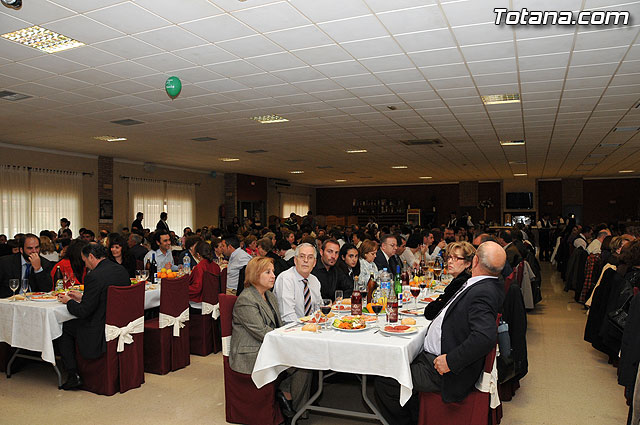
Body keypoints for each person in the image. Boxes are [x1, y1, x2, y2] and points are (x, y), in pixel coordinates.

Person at [374, 241, 506, 424]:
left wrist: (450, 361)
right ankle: (415, 411)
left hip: (443, 369)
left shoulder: (483, 291)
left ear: (474, 261)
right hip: (436, 355)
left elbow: (485, 336)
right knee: (399, 357)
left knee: (385, 378)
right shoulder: (483, 284)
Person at [230, 256, 312, 419]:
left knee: (306, 360)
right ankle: (294, 410)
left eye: (273, 272)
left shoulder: (270, 296)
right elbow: (262, 332)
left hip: (268, 346)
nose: (273, 275)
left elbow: (278, 326)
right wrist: (290, 339)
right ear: (254, 274)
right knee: (303, 363)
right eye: (268, 272)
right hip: (252, 353)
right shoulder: (246, 299)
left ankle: (293, 403)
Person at [57, 243, 130, 390]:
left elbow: (83, 311)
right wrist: (83, 296)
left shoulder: (94, 276)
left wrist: (69, 301)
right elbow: (106, 297)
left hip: (99, 329)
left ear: (91, 257)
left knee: (63, 327)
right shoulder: (120, 270)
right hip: (119, 323)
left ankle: (73, 375)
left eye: (84, 260)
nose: (85, 264)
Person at [424, 242, 474, 319]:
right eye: (450, 257)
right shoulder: (466, 278)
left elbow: (431, 312)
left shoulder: (460, 283)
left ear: (467, 263)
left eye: (456, 258)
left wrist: (438, 300)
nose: (450, 261)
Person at [274, 243, 322, 324]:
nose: (306, 260)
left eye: (310, 257)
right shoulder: (286, 279)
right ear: (295, 260)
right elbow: (287, 316)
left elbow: (319, 309)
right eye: (302, 256)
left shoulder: (315, 280)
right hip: (291, 330)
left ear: (314, 263)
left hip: (311, 328)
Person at [0, 234, 54, 298]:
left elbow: (47, 289)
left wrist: (38, 269)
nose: (34, 251)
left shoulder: (45, 263)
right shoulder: (5, 262)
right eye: (30, 248)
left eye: (37, 247)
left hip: (34, 302)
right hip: (9, 301)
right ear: (21, 250)